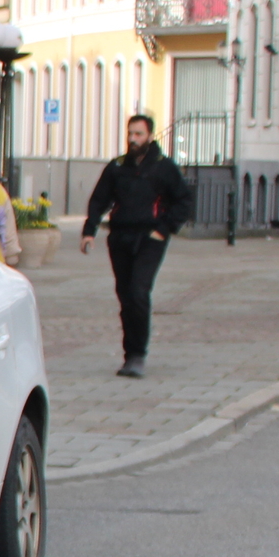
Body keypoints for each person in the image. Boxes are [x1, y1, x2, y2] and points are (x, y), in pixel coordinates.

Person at [80, 112, 191, 378]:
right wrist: (89, 231)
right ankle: (129, 354)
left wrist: (164, 229)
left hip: (150, 238)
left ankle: (138, 354)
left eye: (138, 134)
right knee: (126, 295)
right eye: (130, 134)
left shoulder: (164, 167)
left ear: (150, 136)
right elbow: (100, 199)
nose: (133, 139)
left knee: (139, 292)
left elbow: (184, 201)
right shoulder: (117, 167)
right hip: (120, 237)